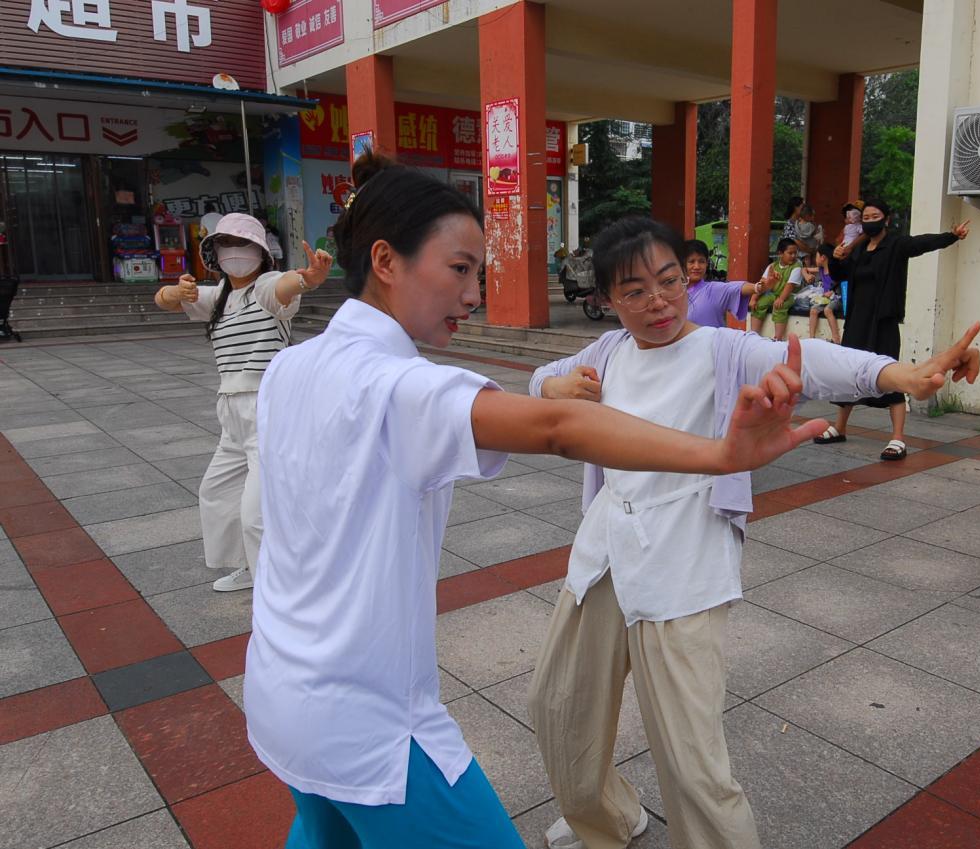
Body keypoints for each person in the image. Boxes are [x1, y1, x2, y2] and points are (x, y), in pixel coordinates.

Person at [243, 158, 831, 849]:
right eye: (460, 269)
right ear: (385, 260)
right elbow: (558, 429)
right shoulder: (399, 387)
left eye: (479, 274)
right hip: (369, 727)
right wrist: (720, 456)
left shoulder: (289, 367)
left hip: (277, 692)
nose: (473, 293)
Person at [526, 216, 980, 849]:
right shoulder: (605, 353)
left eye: (667, 281)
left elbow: (812, 361)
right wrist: (552, 385)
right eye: (633, 291)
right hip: (601, 557)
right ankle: (607, 817)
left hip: (682, 567)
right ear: (606, 299)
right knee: (560, 711)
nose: (657, 301)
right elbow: (537, 382)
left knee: (692, 762)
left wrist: (899, 376)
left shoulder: (722, 349)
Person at [153, 213, 333, 592]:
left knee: (256, 513)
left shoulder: (265, 286)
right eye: (226, 245)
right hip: (231, 410)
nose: (234, 253)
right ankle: (250, 568)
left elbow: (284, 287)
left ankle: (276, 582)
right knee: (216, 493)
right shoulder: (218, 296)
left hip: (267, 407)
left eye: (243, 245)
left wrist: (307, 278)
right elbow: (163, 301)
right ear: (214, 253)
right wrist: (175, 292)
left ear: (261, 253)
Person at [813, 202, 970, 454]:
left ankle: (897, 439)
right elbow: (841, 275)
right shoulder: (859, 248)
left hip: (882, 322)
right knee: (847, 374)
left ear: (886, 219)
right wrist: (837, 258)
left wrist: (951, 236)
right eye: (866, 217)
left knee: (891, 376)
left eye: (875, 216)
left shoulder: (896, 245)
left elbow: (922, 243)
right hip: (857, 322)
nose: (870, 220)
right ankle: (840, 428)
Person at [682, 238, 757, 328]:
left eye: (701, 261)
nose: (697, 266)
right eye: (691, 262)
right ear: (683, 264)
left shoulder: (713, 289)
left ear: (707, 264)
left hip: (713, 341)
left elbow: (737, 288)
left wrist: (757, 287)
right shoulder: (675, 293)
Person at [748, 237, 804, 340]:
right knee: (759, 304)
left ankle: (777, 338)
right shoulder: (772, 266)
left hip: (790, 296)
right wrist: (753, 299)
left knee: (779, 306)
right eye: (790, 253)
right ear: (780, 253)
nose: (793, 256)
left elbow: (790, 286)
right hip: (773, 294)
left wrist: (781, 299)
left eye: (795, 253)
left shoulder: (797, 266)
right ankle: (753, 335)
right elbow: (763, 282)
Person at [807, 243, 843, 344]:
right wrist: (806, 275)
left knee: (828, 310)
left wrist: (831, 292)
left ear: (823, 257)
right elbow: (804, 269)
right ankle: (811, 339)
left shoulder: (835, 270)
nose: (815, 259)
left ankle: (836, 339)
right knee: (813, 310)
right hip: (826, 298)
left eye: (816, 256)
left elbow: (840, 285)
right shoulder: (821, 269)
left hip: (837, 298)